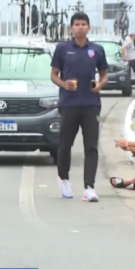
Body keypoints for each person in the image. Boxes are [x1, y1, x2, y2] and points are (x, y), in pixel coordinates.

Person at [50, 12, 108, 202]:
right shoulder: (62, 49)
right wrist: (63, 84)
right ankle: (64, 179)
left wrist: (100, 85)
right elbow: (53, 75)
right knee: (65, 145)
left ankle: (89, 187)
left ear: (89, 27)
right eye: (77, 24)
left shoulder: (97, 50)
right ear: (71, 28)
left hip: (91, 104)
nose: (80, 27)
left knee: (91, 147)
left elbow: (104, 74)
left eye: (84, 24)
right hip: (69, 104)